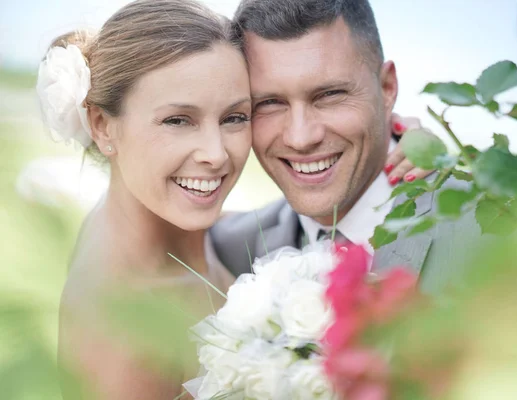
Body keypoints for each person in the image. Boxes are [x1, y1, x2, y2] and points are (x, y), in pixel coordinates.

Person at [36, 0, 420, 398]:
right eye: (177, 120)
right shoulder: (119, 319)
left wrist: (407, 142)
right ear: (101, 125)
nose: (216, 154)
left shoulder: (217, 238)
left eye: (235, 117)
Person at [211, 0, 482, 293]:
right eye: (269, 102)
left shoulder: (494, 224)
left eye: (329, 95)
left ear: (387, 88)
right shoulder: (230, 248)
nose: (300, 138)